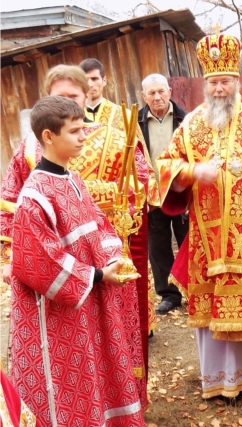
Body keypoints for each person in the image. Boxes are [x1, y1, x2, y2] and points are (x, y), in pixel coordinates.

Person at [0, 64, 151, 404]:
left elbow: (141, 185)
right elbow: (11, 201)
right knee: (69, 350)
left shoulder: (115, 138)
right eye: (58, 96)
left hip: (104, 255)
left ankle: (110, 403)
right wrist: (11, 257)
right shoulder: (31, 151)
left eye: (73, 96)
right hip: (63, 268)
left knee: (105, 343)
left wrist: (115, 209)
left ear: (87, 96)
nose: (66, 101)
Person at [156, 33, 242, 400]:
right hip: (208, 235)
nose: (219, 88)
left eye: (225, 81)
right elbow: (166, 166)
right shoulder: (190, 125)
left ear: (237, 82)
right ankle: (221, 380)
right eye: (213, 82)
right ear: (206, 85)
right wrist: (191, 172)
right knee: (213, 309)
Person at [80, 58, 157, 339]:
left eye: (95, 79)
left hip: (118, 207)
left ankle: (137, 323)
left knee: (126, 261)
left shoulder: (121, 114)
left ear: (104, 81)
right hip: (81, 212)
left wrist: (132, 198)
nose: (90, 85)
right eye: (85, 80)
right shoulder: (70, 115)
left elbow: (140, 162)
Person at [138, 73, 189, 315]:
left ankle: (195, 290)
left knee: (188, 243)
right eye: (151, 93)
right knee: (158, 248)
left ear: (169, 91)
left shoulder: (186, 120)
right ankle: (169, 295)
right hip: (151, 196)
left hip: (180, 193)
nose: (157, 97)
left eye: (161, 91)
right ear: (143, 96)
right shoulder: (135, 123)